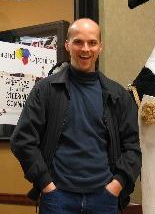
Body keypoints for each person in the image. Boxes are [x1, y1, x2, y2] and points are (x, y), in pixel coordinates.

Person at [10, 18, 141, 214]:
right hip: (58, 198)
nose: (85, 49)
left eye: (92, 43)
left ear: (100, 47)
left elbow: (134, 145)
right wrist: (46, 184)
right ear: (67, 45)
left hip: (104, 199)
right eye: (78, 42)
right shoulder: (45, 90)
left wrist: (117, 185)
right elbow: (22, 141)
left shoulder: (117, 95)